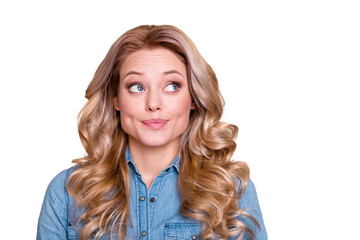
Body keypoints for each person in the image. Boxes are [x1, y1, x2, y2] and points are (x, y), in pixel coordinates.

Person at [37, 25, 267, 240]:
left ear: (194, 98)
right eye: (137, 87)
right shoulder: (68, 191)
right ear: (116, 98)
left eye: (172, 86)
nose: (153, 103)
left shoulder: (231, 189)